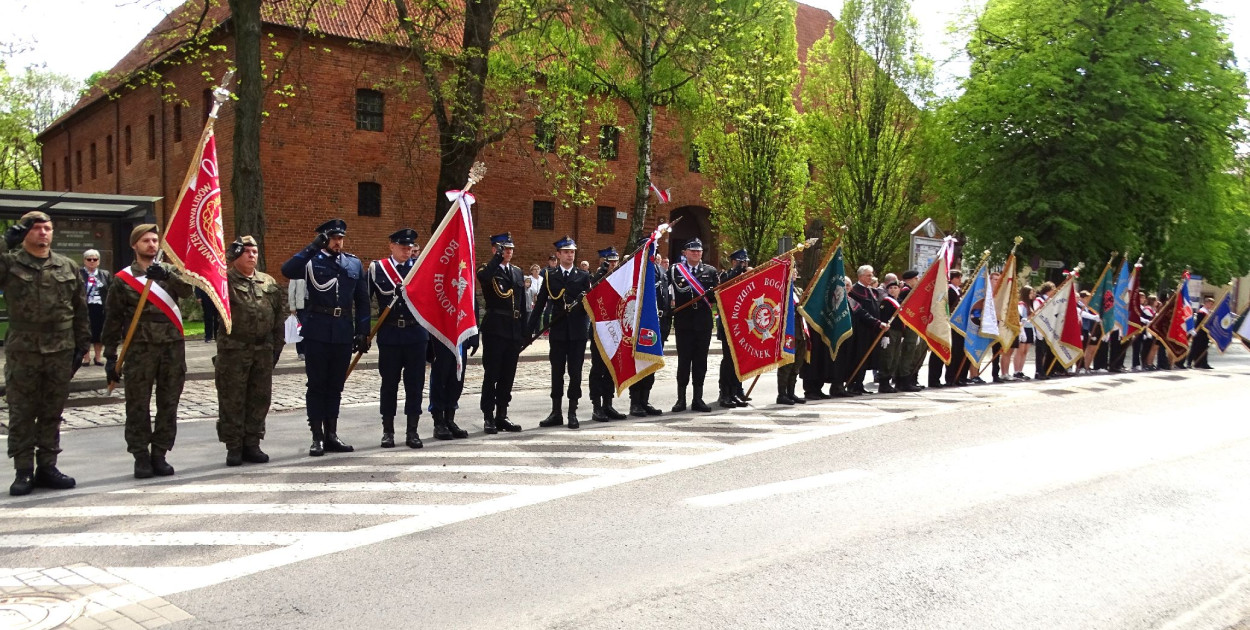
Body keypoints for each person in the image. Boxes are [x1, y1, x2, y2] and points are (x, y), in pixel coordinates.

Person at [2, 211, 89, 496]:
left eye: (47, 228)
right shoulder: (10, 263)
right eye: (36, 228)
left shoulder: (67, 265)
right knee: (22, 412)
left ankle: (48, 466)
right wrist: (5, 242)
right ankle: (23, 470)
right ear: (24, 232)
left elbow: (80, 308)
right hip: (23, 350)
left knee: (52, 411)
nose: (43, 232)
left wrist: (82, 345)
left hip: (60, 349)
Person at [102, 224, 193, 478]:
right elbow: (113, 319)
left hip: (172, 349)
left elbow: (188, 291)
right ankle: (141, 455)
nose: (152, 244)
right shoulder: (123, 280)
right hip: (140, 350)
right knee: (137, 405)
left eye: (154, 240)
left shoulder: (169, 272)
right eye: (146, 241)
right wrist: (110, 357)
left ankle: (160, 453)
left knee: (169, 403)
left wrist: (167, 276)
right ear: (134, 245)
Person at [280, 218, 370, 457]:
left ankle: (332, 434)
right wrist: (312, 247)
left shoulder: (353, 263)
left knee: (335, 386)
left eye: (340, 238)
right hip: (317, 331)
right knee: (317, 385)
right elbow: (287, 270)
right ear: (324, 239)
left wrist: (363, 331)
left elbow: (362, 300)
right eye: (333, 238)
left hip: (342, 331)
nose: (338, 242)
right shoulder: (311, 261)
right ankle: (317, 436)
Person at [215, 236, 284, 467]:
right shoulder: (224, 280)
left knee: (259, 398)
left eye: (254, 251)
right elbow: (209, 283)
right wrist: (227, 256)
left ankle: (252, 443)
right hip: (234, 349)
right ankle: (234, 446)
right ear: (236, 255)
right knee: (232, 399)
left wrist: (277, 348)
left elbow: (278, 317)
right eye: (246, 252)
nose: (252, 255)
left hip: (262, 350)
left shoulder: (268, 281)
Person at [369, 228, 431, 448]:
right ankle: (388, 431)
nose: (407, 251)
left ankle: (412, 431)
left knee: (415, 385)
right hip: (390, 334)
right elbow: (365, 300)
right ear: (392, 246)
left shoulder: (419, 269)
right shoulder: (378, 269)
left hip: (416, 334)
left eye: (410, 247)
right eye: (403, 247)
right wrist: (363, 332)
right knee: (389, 384)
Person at [530, 236, 592, 429]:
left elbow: (589, 305)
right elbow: (540, 304)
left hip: (577, 332)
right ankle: (556, 412)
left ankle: (572, 412)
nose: (569, 255)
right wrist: (528, 330)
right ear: (558, 254)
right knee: (557, 372)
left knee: (575, 372)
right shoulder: (550, 275)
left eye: (572, 252)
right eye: (566, 252)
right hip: (558, 332)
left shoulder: (583, 276)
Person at [477, 232, 526, 434]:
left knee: (508, 375)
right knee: (492, 374)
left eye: (510, 249)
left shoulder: (517, 272)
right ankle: (488, 415)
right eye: (504, 249)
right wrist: (497, 258)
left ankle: (502, 414)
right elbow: (483, 278)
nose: (508, 252)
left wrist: (524, 332)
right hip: (495, 329)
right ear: (495, 250)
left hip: (513, 329)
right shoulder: (488, 269)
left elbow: (522, 304)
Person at [669, 238, 720, 412]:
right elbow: (667, 291)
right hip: (684, 323)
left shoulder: (710, 271)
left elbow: (718, 296)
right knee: (684, 361)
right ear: (685, 253)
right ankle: (680, 399)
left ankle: (698, 398)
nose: (696, 253)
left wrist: (712, 295)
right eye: (693, 251)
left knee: (700, 362)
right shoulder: (676, 270)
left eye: (699, 251)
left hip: (703, 323)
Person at [629, 239, 671, 417]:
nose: (654, 251)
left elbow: (666, 297)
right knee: (639, 363)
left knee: (652, 364)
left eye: (655, 248)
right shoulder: (635, 270)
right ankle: (635, 402)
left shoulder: (661, 270)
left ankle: (645, 400)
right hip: (641, 324)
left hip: (659, 324)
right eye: (650, 248)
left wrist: (667, 323)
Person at [588, 247, 628, 421]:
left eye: (615, 261)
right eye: (609, 261)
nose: (613, 265)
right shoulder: (596, 278)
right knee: (598, 368)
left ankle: (608, 403)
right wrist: (602, 272)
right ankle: (596, 405)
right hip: (599, 330)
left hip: (615, 330)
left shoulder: (620, 279)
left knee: (612, 368)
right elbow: (592, 292)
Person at [848, 265, 890, 394]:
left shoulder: (872, 291)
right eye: (868, 275)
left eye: (872, 275)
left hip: (872, 328)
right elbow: (860, 311)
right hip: (860, 329)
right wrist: (876, 322)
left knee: (867, 358)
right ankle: (853, 384)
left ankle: (860, 384)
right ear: (860, 276)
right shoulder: (854, 291)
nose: (871, 277)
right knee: (859, 357)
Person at [717, 249, 750, 408]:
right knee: (729, 360)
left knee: (739, 359)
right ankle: (724, 393)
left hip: (743, 325)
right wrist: (737, 271)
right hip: (728, 325)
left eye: (745, 262)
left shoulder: (747, 277)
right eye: (741, 262)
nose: (744, 265)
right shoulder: (726, 276)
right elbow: (723, 286)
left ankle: (735, 391)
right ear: (734, 262)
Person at [777, 267, 808, 405]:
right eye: (792, 271)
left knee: (796, 365)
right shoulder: (782, 290)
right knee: (786, 365)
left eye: (796, 272)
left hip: (801, 331)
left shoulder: (798, 290)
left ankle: (791, 392)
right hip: (789, 332)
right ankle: (782, 394)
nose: (795, 273)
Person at [894, 270, 926, 392]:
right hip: (908, 327)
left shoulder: (912, 290)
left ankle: (909, 380)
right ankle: (903, 381)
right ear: (909, 280)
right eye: (916, 278)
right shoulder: (906, 291)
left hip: (913, 326)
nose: (918, 280)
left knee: (912, 353)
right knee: (907, 353)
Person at [80, 249, 110, 366]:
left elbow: (110, 290)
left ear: (98, 261)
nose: (92, 261)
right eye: (89, 259)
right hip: (84, 306)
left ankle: (98, 357)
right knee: (85, 332)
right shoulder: (79, 274)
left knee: (98, 332)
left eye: (95, 259)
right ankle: (86, 357)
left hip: (100, 307)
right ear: (84, 261)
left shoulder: (105, 274)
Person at [876, 280, 903, 393]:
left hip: (898, 332)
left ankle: (889, 381)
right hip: (890, 331)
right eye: (890, 288)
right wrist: (885, 335)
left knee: (895, 357)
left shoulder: (900, 301)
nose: (893, 290)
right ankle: (883, 383)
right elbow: (883, 318)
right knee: (888, 357)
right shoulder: (886, 302)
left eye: (895, 288)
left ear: (899, 289)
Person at [1032, 282, 1056, 379]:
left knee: (1045, 351)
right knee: (1040, 352)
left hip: (1049, 328)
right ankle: (1038, 371)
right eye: (1053, 289)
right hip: (1040, 327)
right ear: (1048, 290)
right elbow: (1037, 313)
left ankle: (1044, 371)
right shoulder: (1038, 300)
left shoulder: (1052, 300)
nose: (1054, 291)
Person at [1014, 286, 1035, 380]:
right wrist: (1028, 318)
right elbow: (1021, 317)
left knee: (1025, 351)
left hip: (1030, 328)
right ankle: (1016, 371)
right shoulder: (1022, 304)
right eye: (1031, 293)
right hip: (1023, 328)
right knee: (1020, 351)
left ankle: (1020, 370)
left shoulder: (1030, 305)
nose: (1032, 295)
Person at [1189, 297, 1215, 369]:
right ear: (1206, 303)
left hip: (1205, 333)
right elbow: (1200, 323)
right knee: (1195, 349)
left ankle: (1202, 363)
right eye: (1210, 304)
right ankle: (1189, 363)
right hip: (1199, 333)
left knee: (1203, 349)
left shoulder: (1208, 312)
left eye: (1212, 304)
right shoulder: (1202, 312)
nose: (1211, 306)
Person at [287, 276, 307, 360]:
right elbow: (291, 291)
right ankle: (301, 352)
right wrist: (292, 307)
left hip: (313, 305)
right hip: (300, 306)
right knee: (300, 329)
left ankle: (310, 351)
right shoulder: (296, 274)